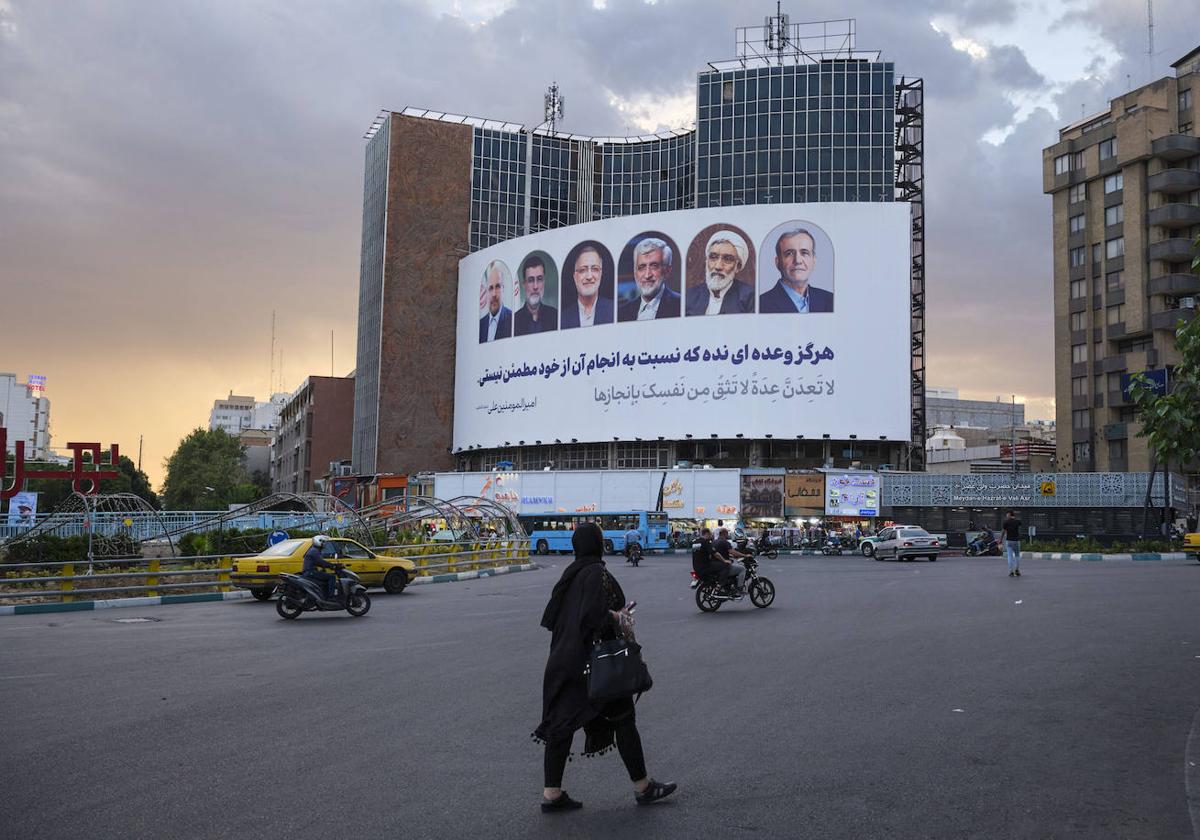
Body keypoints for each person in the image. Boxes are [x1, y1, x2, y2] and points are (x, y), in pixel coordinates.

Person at [534, 523, 676, 812]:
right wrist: (616, 615)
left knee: (561, 725)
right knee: (623, 719)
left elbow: (552, 618)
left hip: (562, 662)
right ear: (598, 545)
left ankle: (552, 794)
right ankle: (643, 787)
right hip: (594, 665)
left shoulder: (569, 575)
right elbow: (593, 616)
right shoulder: (595, 574)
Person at [758, 228, 833, 313]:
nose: (798, 260)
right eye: (789, 253)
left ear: (813, 261)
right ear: (778, 262)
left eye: (804, 253)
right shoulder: (761, 304)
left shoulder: (831, 300)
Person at [685, 231, 755, 315]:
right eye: (713, 257)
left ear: (738, 266)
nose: (718, 266)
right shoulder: (689, 296)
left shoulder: (750, 297)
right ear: (707, 261)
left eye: (727, 259)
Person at [617, 238, 681, 322]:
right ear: (635, 272)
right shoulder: (622, 312)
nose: (647, 275)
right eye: (641, 267)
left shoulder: (681, 305)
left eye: (654, 266)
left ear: (667, 271)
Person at [561, 245, 614, 329]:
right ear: (575, 277)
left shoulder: (614, 310)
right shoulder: (562, 319)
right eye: (582, 270)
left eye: (595, 269)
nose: (589, 276)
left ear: (601, 274)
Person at [513, 255, 558, 336]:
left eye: (540, 279)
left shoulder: (556, 317)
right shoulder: (511, 323)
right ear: (524, 285)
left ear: (544, 282)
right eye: (530, 280)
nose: (535, 286)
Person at [478, 261, 513, 342]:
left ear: (503, 289)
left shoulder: (513, 320)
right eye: (490, 288)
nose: (494, 294)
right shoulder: (480, 324)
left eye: (498, 287)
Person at [1001, 511, 1022, 577]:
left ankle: (1011, 571)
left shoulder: (1006, 522)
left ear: (1009, 514)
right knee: (1017, 555)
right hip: (1016, 540)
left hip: (1009, 540)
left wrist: (1000, 539)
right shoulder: (1018, 521)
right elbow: (1019, 528)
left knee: (1010, 556)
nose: (1006, 516)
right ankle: (1017, 570)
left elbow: (1003, 531)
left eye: (1007, 515)